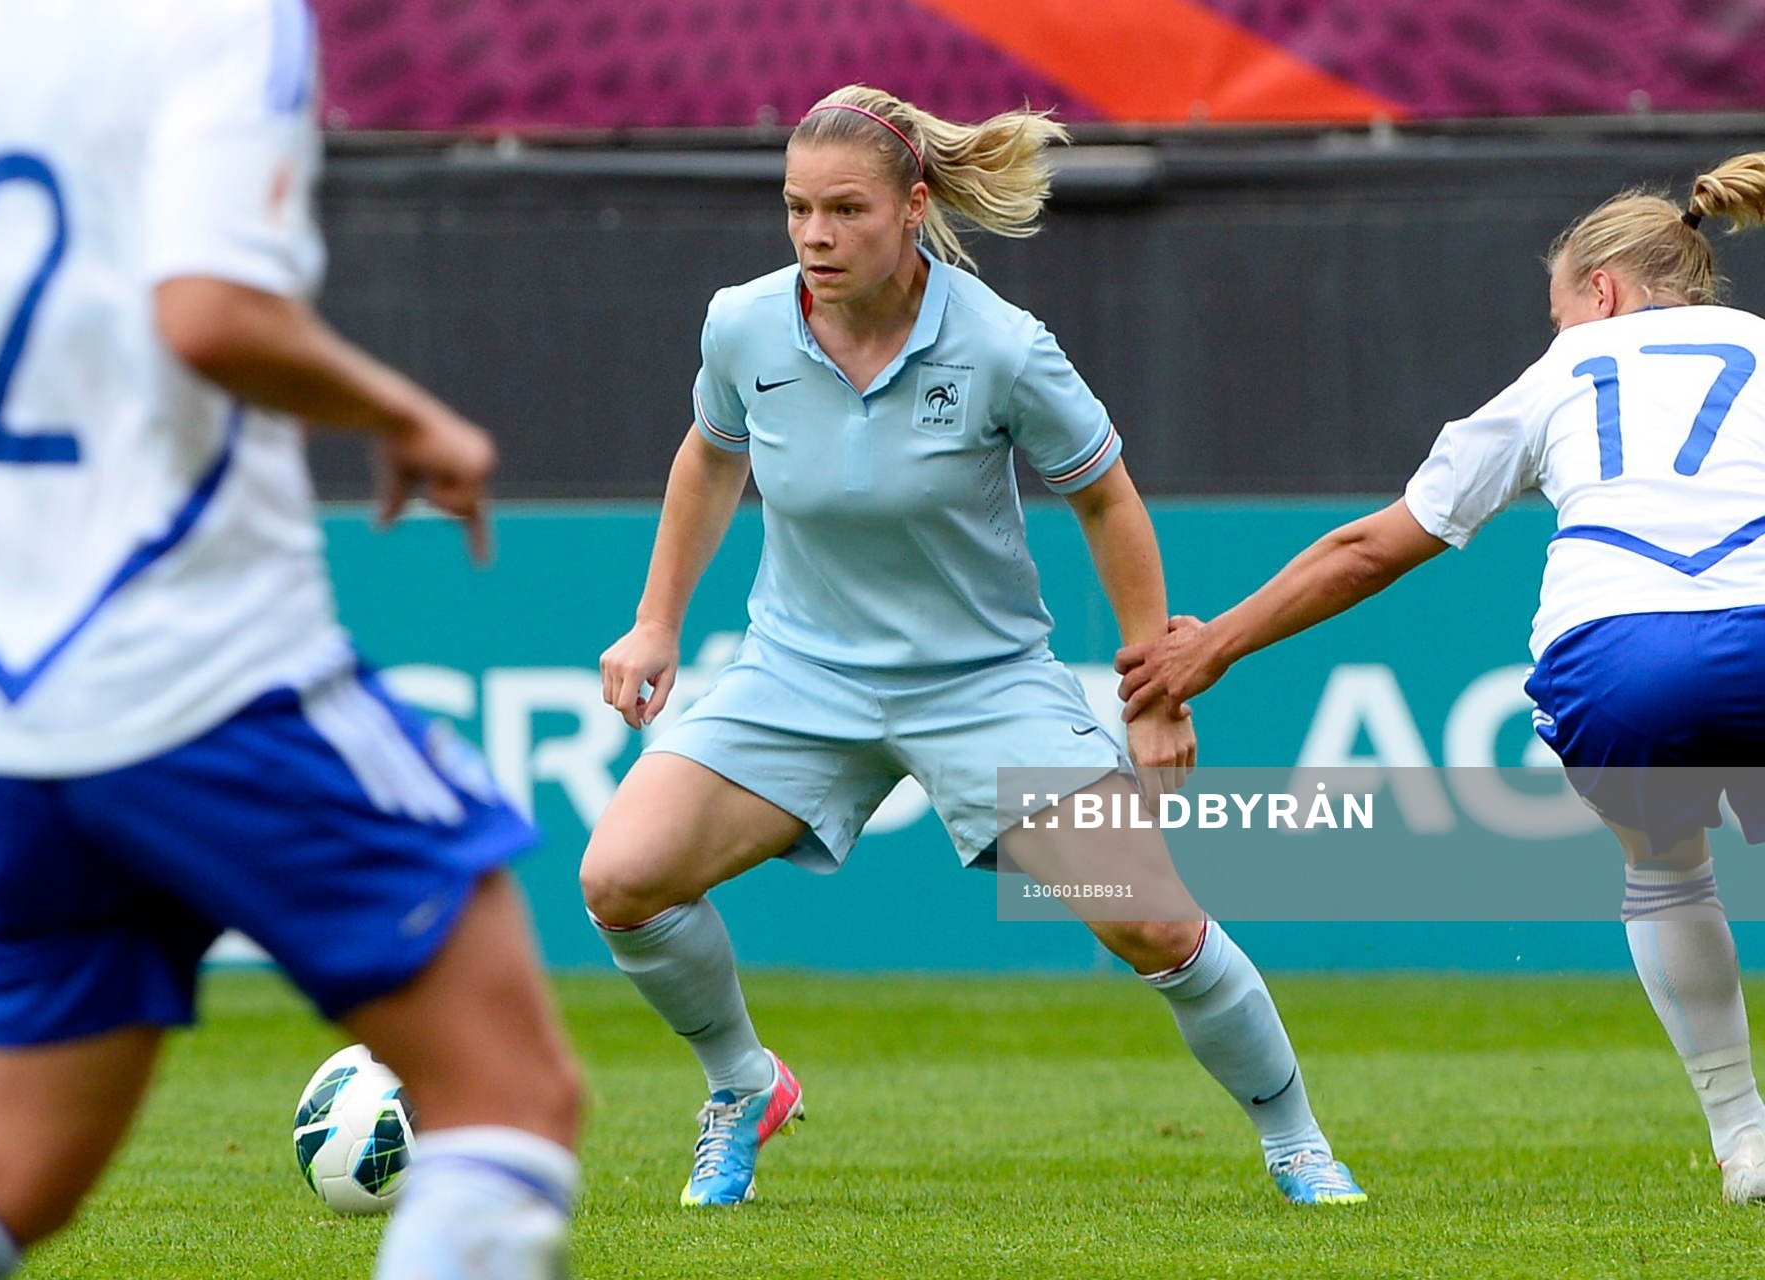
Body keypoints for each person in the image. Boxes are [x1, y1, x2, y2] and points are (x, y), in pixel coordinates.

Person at [0, 2, 580, 1276]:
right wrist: (407, 415)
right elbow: (210, 312)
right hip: (211, 667)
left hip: (10, 708)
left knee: (6, 1172)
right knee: (510, 1099)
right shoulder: (231, 22)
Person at [580, 84, 1366, 1209]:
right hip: (798, 676)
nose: (814, 235)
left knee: (1154, 922)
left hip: (983, 686)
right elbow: (711, 456)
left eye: (845, 209)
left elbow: (1107, 499)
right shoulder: (743, 324)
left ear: (912, 207)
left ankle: (1297, 1143)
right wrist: (657, 618)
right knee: (620, 879)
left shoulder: (1003, 346)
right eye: (797, 207)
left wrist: (1153, 687)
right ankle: (742, 1085)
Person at [1117, 153, 1765, 1202]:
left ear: (1602, 292)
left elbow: (1369, 549)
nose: (1558, 330)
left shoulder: (1562, 373)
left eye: (1559, 311)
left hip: (1615, 654)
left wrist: (1213, 645)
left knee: (1667, 869)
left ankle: (1744, 1139)